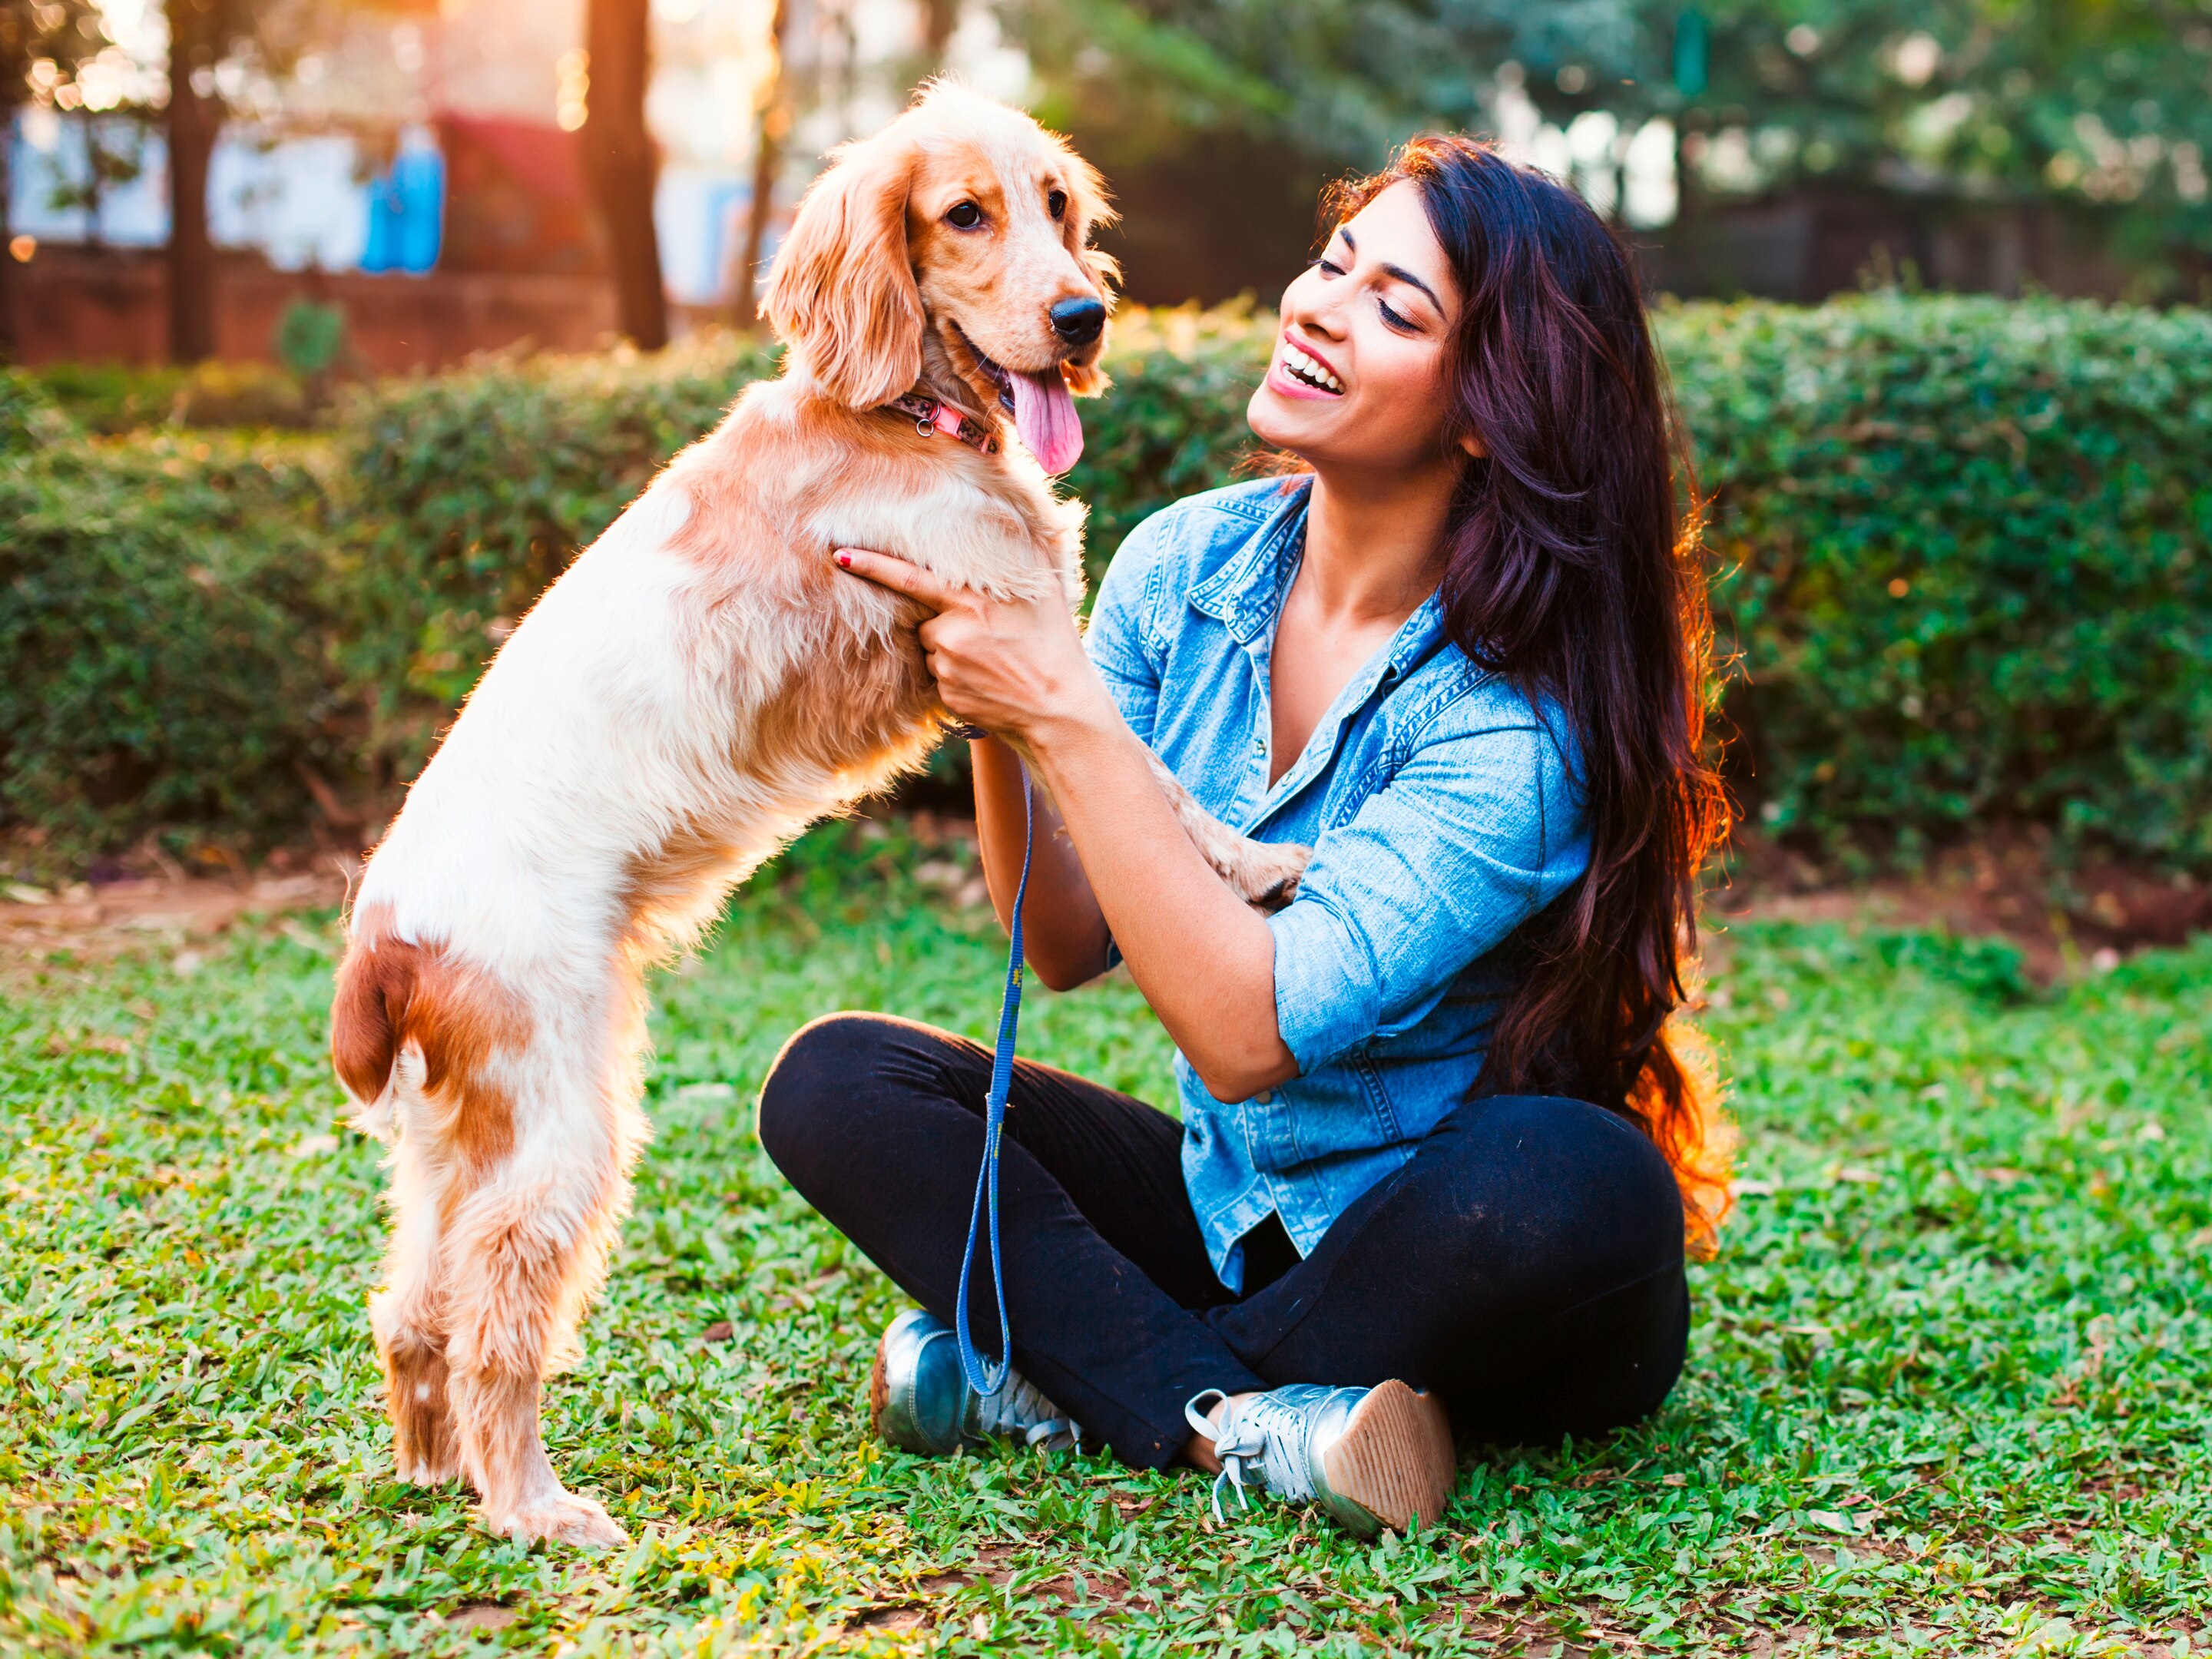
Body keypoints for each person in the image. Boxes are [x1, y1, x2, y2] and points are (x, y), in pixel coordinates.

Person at [757, 134, 1733, 1538]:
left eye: (1398, 309)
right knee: (840, 1081)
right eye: (1336, 264)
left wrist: (1065, 710)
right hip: (1232, 1216)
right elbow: (1063, 936)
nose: (1322, 308)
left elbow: (1247, 1036)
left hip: (1452, 1249)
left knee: (1580, 1178)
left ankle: (1088, 1385)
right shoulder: (1183, 566)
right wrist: (991, 679)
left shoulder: (1516, 725)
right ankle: (1256, 1423)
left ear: (1487, 411)